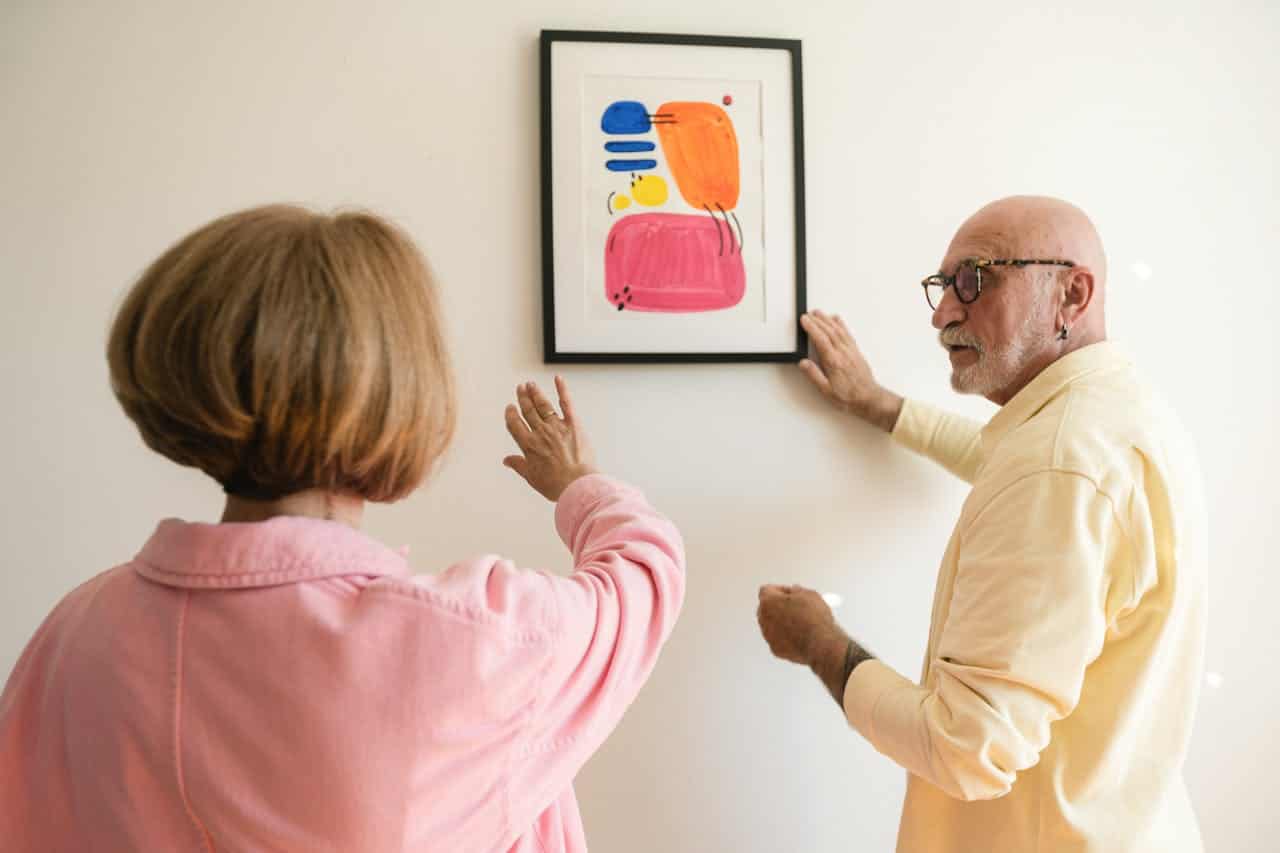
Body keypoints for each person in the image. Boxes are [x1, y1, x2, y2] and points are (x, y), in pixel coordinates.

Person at [0, 205, 686, 852]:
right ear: (399, 394)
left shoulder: (76, 635)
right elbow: (646, 574)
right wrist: (576, 485)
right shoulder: (470, 641)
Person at [757, 196, 1207, 852]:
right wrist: (884, 406)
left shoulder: (1058, 463)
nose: (943, 313)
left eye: (977, 278)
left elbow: (966, 747)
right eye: (943, 286)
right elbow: (1008, 465)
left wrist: (818, 640)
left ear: (1071, 294)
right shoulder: (1113, 412)